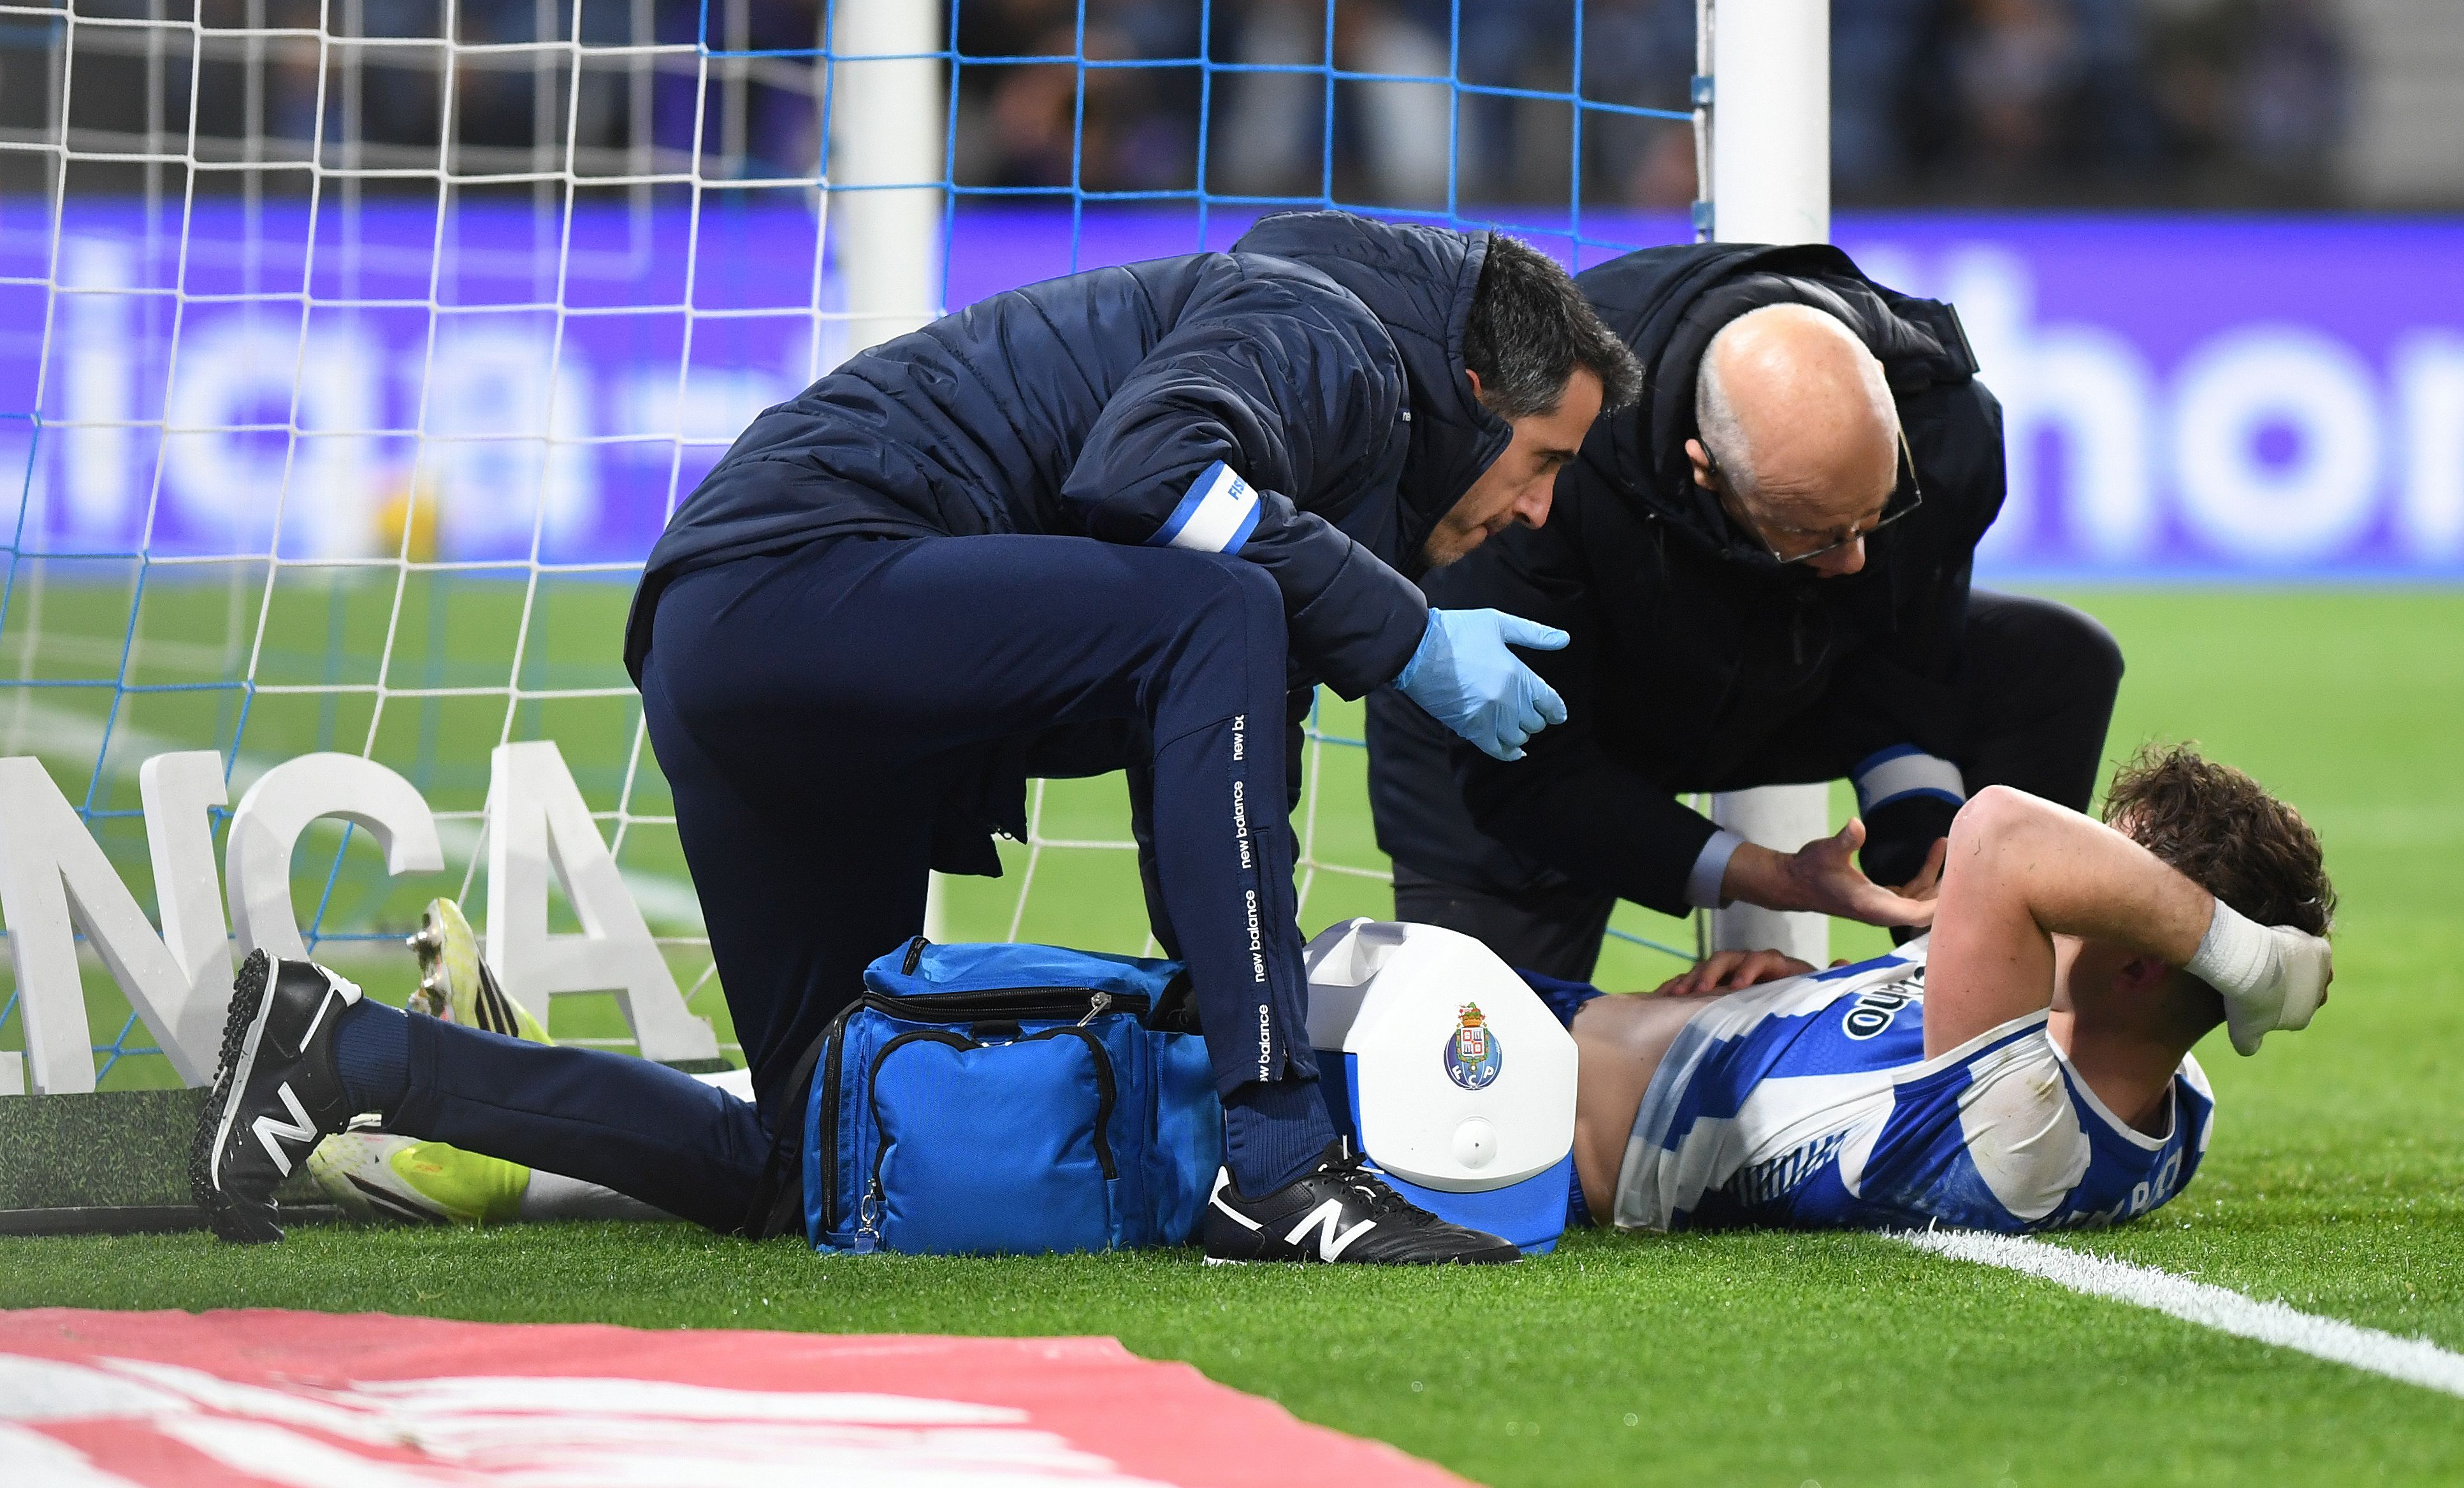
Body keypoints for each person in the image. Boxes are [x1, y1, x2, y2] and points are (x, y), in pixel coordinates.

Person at [196, 212, 1644, 1266]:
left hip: (745, 648)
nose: (1535, 510)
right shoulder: (1323, 333)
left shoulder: (1328, 394)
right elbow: (1148, 479)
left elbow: (1209, 693)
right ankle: (1274, 1163)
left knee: (811, 1150)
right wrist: (1400, 634)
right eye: (1542, 464)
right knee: (1223, 613)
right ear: (1472, 394)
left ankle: (338, 1048)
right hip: (801, 588)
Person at [1368, 241, 2126, 981]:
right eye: (1813, 533)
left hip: (1777, 664)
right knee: (1484, 1064)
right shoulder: (1542, 457)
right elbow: (1524, 776)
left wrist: (1922, 852)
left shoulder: (1946, 432)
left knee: (2056, 658)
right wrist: (1781, 877)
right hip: (1542, 727)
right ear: (1705, 469)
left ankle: (1950, 992)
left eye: (1872, 518)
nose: (1852, 559)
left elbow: (1899, 662)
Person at [1532, 744, 2333, 1233]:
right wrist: (1811, 999)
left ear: (2142, 963)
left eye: (2099, 884)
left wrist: (2252, 961)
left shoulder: (2015, 1132)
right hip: (1571, 1026)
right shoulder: (2173, 1107)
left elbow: (2003, 833)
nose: (2072, 885)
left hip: (1530, 1120)